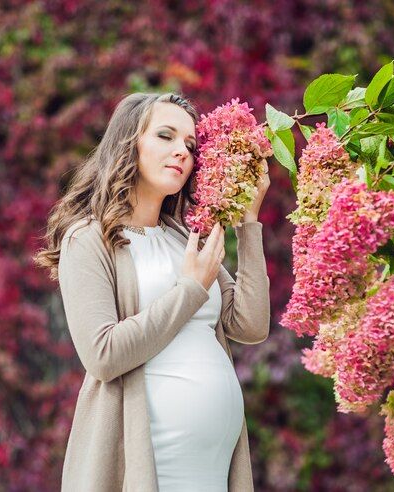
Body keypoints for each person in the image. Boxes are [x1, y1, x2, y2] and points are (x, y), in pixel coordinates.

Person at [34, 92, 271, 491]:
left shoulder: (185, 238)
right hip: (149, 465)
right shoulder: (89, 241)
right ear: (129, 143)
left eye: (190, 145)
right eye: (166, 136)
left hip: (211, 470)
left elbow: (250, 324)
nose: (182, 151)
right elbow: (103, 355)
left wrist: (249, 224)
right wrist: (190, 290)